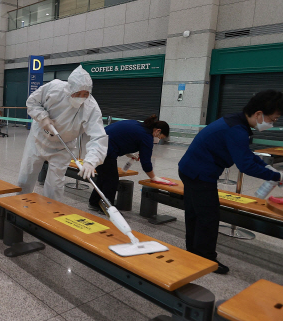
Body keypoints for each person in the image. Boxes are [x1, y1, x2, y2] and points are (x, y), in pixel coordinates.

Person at [178, 90, 283, 274]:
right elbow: (246, 166)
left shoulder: (236, 122)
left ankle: (194, 252)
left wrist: (269, 169)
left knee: (196, 213)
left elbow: (246, 155)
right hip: (199, 173)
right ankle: (205, 259)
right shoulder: (237, 130)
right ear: (259, 114)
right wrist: (278, 177)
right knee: (208, 217)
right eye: (272, 119)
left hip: (191, 169)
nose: (272, 124)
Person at [17, 65, 108, 202]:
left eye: (85, 94)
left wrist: (90, 161)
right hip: (38, 139)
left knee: (55, 186)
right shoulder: (54, 88)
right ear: (70, 88)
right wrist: (43, 118)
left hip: (63, 147)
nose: (81, 98)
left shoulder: (91, 108)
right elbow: (32, 102)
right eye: (78, 93)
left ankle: (50, 215)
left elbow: (98, 136)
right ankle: (19, 206)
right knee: (25, 178)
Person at [89, 115, 170, 211]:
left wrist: (128, 153)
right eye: (160, 136)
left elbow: (122, 136)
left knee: (104, 177)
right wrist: (153, 177)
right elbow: (146, 162)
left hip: (96, 144)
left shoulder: (139, 125)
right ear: (158, 130)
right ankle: (107, 209)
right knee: (111, 180)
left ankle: (94, 202)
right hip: (105, 150)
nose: (158, 139)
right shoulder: (146, 136)